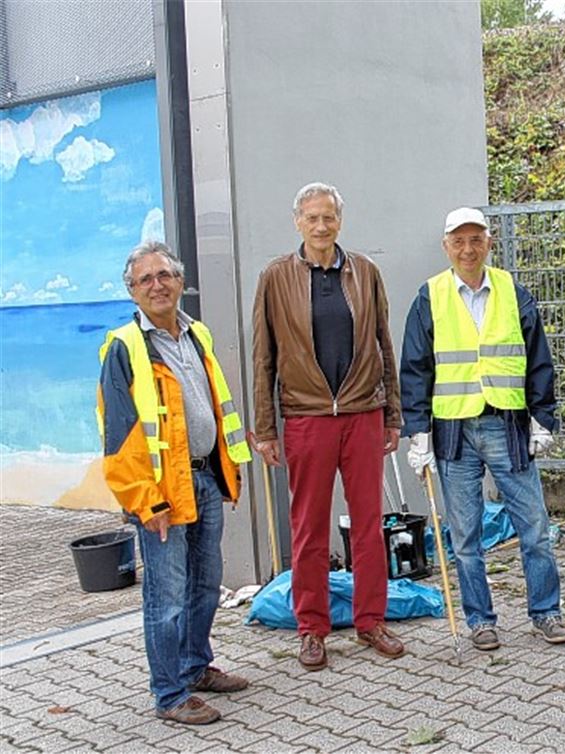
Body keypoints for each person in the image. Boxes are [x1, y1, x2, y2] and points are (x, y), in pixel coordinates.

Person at [400, 207, 565, 652]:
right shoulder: (430, 296)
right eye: (458, 241)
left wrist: (543, 416)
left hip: (507, 424)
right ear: (446, 246)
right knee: (465, 535)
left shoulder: (513, 292)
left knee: (533, 526)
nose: (468, 249)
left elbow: (538, 358)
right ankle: (480, 621)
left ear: (489, 243)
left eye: (475, 240)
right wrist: (418, 432)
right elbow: (415, 368)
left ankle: (547, 613)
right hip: (454, 431)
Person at [251, 182, 405, 671]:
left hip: (363, 412)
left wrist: (392, 413)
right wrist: (265, 427)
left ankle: (370, 621)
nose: (321, 226)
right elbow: (263, 357)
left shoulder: (366, 272)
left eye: (329, 217)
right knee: (309, 528)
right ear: (298, 220)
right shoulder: (276, 277)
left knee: (368, 525)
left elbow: (384, 343)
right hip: (306, 417)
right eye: (312, 218)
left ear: (340, 220)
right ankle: (312, 629)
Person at [97, 242, 251, 725]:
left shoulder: (196, 335)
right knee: (166, 597)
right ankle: (169, 694)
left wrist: (230, 470)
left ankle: (196, 666)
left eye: (164, 275)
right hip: (163, 495)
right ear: (132, 291)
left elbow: (216, 406)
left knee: (205, 586)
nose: (157, 285)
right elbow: (119, 437)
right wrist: (146, 501)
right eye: (146, 279)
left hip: (205, 480)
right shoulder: (125, 347)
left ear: (180, 281)